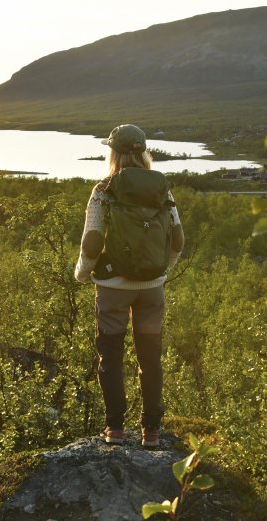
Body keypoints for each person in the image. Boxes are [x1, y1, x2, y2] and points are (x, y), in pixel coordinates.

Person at [74, 124, 184, 448]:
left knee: (111, 356)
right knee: (150, 358)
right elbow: (177, 240)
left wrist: (82, 273)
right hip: (152, 288)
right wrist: (162, 271)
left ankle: (115, 430)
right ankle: (151, 431)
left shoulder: (103, 189)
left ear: (113, 153)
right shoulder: (163, 190)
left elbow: (92, 242)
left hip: (112, 287)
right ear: (143, 151)